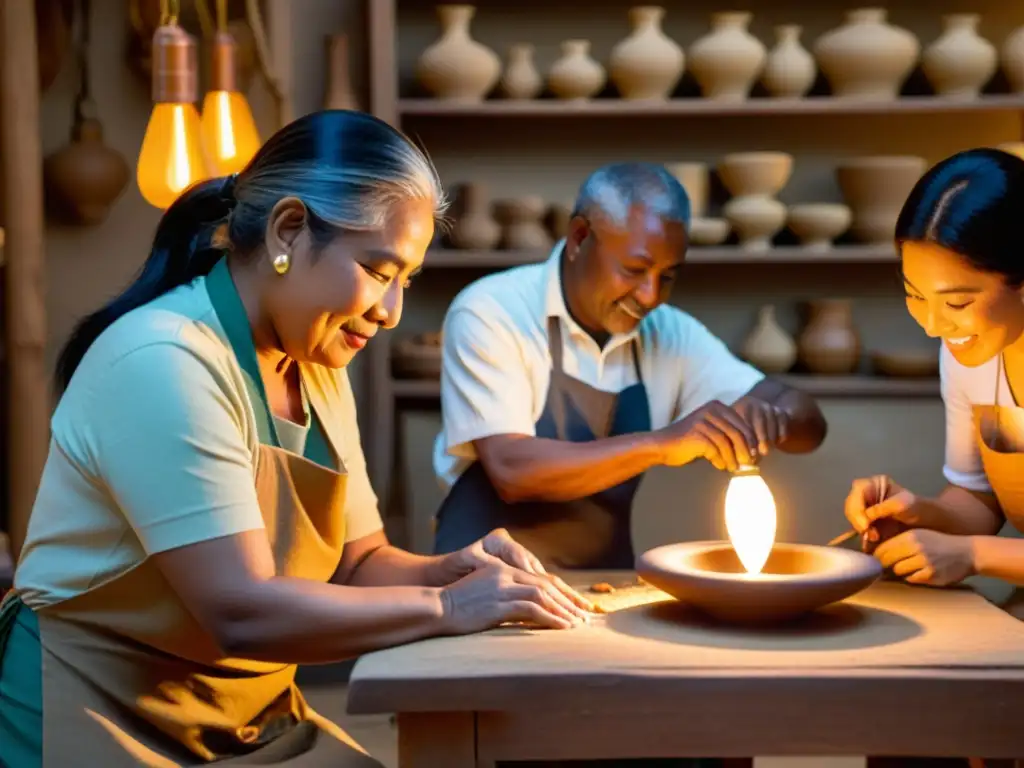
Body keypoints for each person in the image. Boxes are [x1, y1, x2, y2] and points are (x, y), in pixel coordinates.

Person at [0, 110, 595, 768]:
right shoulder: (163, 359)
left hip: (248, 718)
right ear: (289, 229)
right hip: (95, 716)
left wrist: (452, 569)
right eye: (377, 269)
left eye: (408, 280)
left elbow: (357, 563)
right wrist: (448, 604)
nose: (391, 310)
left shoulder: (314, 362)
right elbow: (240, 611)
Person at [432, 162, 828, 570]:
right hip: (482, 583)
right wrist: (662, 444)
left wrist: (773, 416)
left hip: (600, 583)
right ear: (580, 237)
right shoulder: (491, 310)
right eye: (634, 270)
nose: (650, 295)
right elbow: (512, 470)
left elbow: (809, 424)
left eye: (668, 276)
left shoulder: (668, 333)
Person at [843, 147, 1024, 604]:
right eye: (915, 296)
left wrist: (975, 555)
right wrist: (918, 515)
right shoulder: (972, 354)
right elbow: (980, 500)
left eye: (957, 303)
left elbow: (976, 544)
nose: (933, 325)